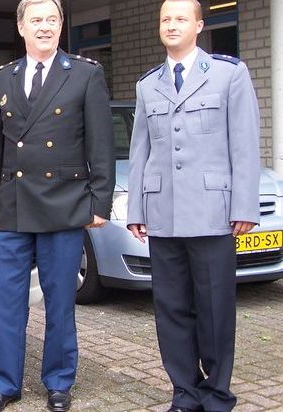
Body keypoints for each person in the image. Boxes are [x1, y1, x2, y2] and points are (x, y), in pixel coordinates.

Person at [0, 0, 115, 410]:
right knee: (6, 302)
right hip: (13, 207)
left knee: (59, 301)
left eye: (51, 20)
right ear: (21, 28)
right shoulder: (3, 79)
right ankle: (2, 384)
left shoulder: (86, 74)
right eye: (35, 20)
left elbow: (101, 145)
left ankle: (58, 382)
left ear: (60, 26)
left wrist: (100, 203)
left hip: (64, 204)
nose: (44, 27)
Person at [126, 0, 260, 411]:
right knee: (172, 310)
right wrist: (136, 210)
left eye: (181, 18)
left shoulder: (229, 74)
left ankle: (217, 393)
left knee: (215, 309)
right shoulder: (147, 85)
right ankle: (184, 391)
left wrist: (244, 207)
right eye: (165, 18)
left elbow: (244, 144)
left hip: (212, 214)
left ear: (199, 25)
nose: (171, 24)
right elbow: (139, 152)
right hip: (163, 216)